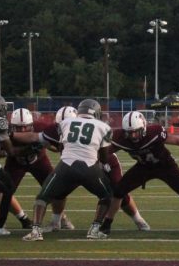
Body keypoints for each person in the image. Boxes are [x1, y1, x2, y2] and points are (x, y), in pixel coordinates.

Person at [96, 110, 179, 238]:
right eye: (129, 133)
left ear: (144, 127)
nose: (133, 136)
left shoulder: (154, 132)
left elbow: (176, 139)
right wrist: (102, 160)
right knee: (118, 191)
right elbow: (106, 151)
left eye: (136, 131)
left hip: (165, 165)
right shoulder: (120, 137)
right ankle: (106, 225)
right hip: (143, 167)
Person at [22, 99, 114, 242]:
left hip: (66, 166)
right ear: (96, 112)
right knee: (106, 196)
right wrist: (104, 165)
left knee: (43, 197)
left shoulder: (64, 123)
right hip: (90, 167)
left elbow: (58, 146)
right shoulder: (104, 127)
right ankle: (94, 229)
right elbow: (103, 155)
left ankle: (35, 230)